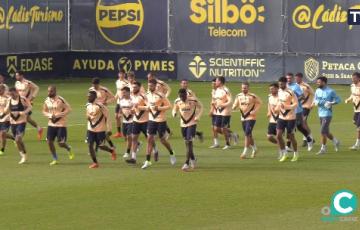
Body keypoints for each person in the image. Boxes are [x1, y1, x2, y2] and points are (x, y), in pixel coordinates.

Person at [141, 79, 175, 169]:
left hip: (161, 120)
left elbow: (169, 106)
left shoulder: (161, 95)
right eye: (148, 85)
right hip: (151, 120)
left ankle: (171, 153)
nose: (149, 87)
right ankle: (148, 160)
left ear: (155, 86)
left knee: (162, 140)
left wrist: (158, 108)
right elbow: (147, 106)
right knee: (149, 139)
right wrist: (144, 108)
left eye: (151, 86)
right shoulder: (147, 95)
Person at [127, 81, 158, 164]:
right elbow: (134, 107)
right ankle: (133, 158)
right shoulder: (131, 96)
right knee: (134, 138)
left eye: (135, 87)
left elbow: (149, 107)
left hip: (145, 121)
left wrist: (139, 107)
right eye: (133, 87)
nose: (133, 89)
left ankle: (155, 150)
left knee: (149, 139)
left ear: (139, 88)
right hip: (136, 120)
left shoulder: (143, 96)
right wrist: (132, 111)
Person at [42, 85, 74, 166]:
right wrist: (49, 115)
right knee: (49, 142)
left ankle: (68, 148)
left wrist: (59, 115)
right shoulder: (46, 100)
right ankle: (55, 159)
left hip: (61, 124)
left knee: (60, 143)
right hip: (51, 124)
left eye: (51, 91)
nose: (49, 93)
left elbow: (69, 109)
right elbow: (44, 111)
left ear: (55, 91)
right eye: (48, 91)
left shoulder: (61, 100)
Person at [172, 88, 203, 171]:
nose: (182, 98)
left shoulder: (193, 100)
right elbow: (175, 108)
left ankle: (186, 163)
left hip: (192, 123)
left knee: (189, 142)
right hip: (183, 124)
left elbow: (201, 107)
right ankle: (193, 159)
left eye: (183, 96)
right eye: (180, 96)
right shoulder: (177, 101)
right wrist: (174, 113)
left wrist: (198, 117)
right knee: (187, 143)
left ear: (186, 94)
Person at [86, 91, 117, 168]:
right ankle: (95, 163)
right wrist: (88, 117)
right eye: (88, 96)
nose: (88, 98)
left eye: (90, 96)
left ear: (94, 97)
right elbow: (87, 114)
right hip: (90, 129)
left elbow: (108, 117)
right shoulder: (87, 105)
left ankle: (112, 151)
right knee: (90, 145)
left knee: (101, 146)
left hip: (100, 129)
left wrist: (109, 129)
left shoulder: (101, 106)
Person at [232, 82, 262, 159]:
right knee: (248, 134)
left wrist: (255, 111)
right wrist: (234, 106)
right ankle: (255, 149)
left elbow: (259, 103)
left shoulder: (253, 96)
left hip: (251, 117)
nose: (243, 89)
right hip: (243, 117)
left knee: (247, 133)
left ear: (248, 88)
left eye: (245, 88)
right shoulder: (238, 96)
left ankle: (244, 152)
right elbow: (236, 103)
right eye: (242, 88)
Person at [286, 73, 314, 151]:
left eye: (290, 78)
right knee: (289, 128)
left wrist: (295, 101)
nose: (288, 80)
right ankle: (288, 146)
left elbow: (302, 96)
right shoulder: (285, 87)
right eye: (287, 78)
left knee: (299, 127)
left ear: (292, 79)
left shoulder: (296, 86)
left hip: (297, 110)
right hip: (288, 111)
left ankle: (309, 139)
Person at [313, 76, 341, 155]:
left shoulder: (330, 91)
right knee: (326, 132)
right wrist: (315, 102)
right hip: (320, 113)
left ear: (324, 82)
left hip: (327, 114)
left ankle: (323, 149)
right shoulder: (317, 90)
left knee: (322, 131)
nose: (317, 83)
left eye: (319, 82)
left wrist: (331, 103)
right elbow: (315, 99)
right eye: (317, 82)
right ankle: (336, 141)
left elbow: (338, 100)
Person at [5, 87, 32, 164]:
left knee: (17, 139)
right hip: (13, 123)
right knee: (18, 141)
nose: (12, 96)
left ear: (16, 92)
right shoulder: (9, 100)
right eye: (10, 94)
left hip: (21, 122)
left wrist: (24, 112)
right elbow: (6, 110)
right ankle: (24, 154)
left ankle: (23, 157)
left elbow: (30, 107)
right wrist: (5, 112)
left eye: (13, 94)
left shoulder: (22, 99)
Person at [89, 78, 116, 151]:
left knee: (100, 130)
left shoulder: (104, 90)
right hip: (94, 112)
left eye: (95, 84)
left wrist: (106, 102)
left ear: (98, 84)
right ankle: (111, 145)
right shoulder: (91, 89)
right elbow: (90, 99)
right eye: (93, 84)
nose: (94, 86)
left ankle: (96, 148)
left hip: (103, 111)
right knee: (96, 130)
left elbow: (113, 98)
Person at [14, 71, 43, 140]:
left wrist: (32, 97)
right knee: (27, 119)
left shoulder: (27, 83)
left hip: (27, 104)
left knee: (23, 119)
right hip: (19, 103)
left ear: (22, 76)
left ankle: (19, 137)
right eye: (16, 76)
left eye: (17, 76)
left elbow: (37, 88)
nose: (16, 77)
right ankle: (39, 128)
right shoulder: (16, 83)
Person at [276, 77, 299, 162]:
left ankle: (296, 154)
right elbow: (279, 102)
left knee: (291, 136)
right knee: (278, 135)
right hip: (281, 117)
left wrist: (286, 107)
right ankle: (284, 153)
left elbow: (296, 104)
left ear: (285, 83)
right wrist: (277, 108)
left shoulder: (290, 92)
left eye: (281, 84)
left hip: (290, 118)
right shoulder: (279, 91)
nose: (280, 85)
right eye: (279, 84)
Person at [295, 73, 315, 147]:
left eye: (298, 78)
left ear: (301, 78)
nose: (296, 80)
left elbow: (314, 94)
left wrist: (312, 103)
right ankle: (310, 138)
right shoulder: (295, 86)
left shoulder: (306, 86)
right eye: (296, 78)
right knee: (303, 123)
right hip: (298, 107)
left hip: (306, 106)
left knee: (302, 122)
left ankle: (306, 139)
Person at [212, 77, 233, 149]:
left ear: (220, 82)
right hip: (218, 111)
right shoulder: (217, 90)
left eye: (216, 81)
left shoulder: (226, 90)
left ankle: (228, 144)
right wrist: (214, 103)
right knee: (215, 128)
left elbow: (230, 101)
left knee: (223, 128)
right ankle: (232, 135)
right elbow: (217, 99)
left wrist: (222, 105)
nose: (215, 82)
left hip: (226, 111)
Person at [116, 87, 134, 159]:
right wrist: (119, 114)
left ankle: (127, 152)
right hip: (124, 121)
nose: (123, 94)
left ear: (128, 92)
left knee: (129, 136)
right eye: (122, 92)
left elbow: (136, 109)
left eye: (124, 92)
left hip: (132, 121)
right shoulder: (121, 101)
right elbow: (120, 109)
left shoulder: (133, 100)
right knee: (125, 137)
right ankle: (137, 143)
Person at [345, 72, 360, 150]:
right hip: (356, 109)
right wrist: (348, 99)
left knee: (358, 128)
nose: (353, 80)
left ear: (359, 78)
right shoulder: (352, 86)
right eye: (352, 78)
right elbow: (352, 94)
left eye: (354, 78)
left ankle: (357, 145)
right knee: (354, 122)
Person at [113, 70, 128, 138]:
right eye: (120, 74)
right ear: (118, 74)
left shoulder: (126, 83)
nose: (121, 75)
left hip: (124, 102)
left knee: (125, 117)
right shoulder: (117, 82)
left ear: (124, 74)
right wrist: (114, 98)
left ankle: (129, 131)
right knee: (116, 116)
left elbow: (128, 92)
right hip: (119, 102)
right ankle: (119, 133)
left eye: (122, 74)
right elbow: (118, 92)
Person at [0, 85, 10, 155]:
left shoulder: (8, 98)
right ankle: (14, 138)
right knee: (2, 134)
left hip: (6, 118)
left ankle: (2, 149)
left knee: (2, 133)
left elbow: (8, 109)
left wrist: (3, 115)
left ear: (3, 90)